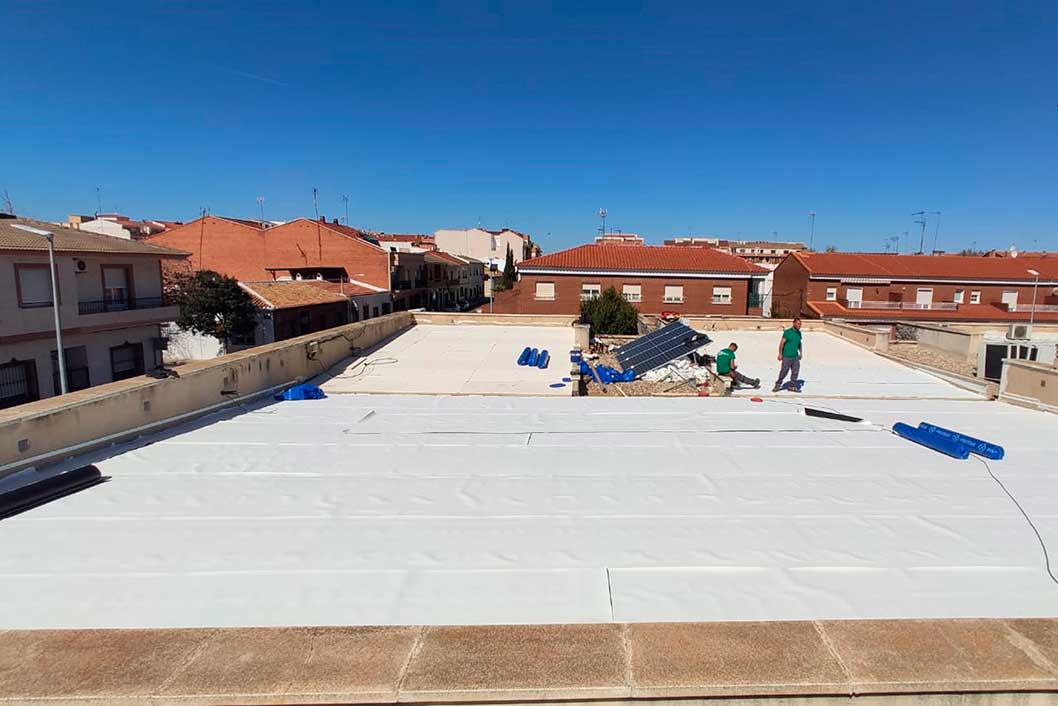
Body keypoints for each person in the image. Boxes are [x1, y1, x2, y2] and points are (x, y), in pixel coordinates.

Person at [773, 318, 803, 392]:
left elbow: (799, 343)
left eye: (800, 324)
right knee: (784, 371)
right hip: (787, 356)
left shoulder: (799, 333)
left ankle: (792, 386)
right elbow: (782, 343)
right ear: (794, 323)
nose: (800, 325)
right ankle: (778, 384)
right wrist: (780, 354)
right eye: (798, 324)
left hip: (795, 356)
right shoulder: (787, 332)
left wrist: (801, 353)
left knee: (795, 371)